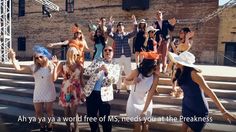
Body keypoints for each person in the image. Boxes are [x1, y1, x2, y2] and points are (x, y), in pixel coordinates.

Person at [168, 51, 236, 132]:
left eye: (178, 61)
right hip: (187, 106)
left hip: (198, 108)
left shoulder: (194, 74)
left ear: (183, 63)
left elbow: (208, 91)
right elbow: (178, 82)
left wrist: (223, 111)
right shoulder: (180, 72)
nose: (176, 62)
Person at [8, 46, 56, 131]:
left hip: (49, 90)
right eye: (36, 58)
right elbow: (18, 69)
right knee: (38, 111)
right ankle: (42, 126)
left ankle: (50, 125)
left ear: (45, 56)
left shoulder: (51, 65)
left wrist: (55, 66)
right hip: (38, 91)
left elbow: (54, 79)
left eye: (41, 57)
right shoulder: (34, 67)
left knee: (49, 110)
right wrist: (13, 58)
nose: (39, 59)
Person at [83, 46, 120, 132]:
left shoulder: (116, 65)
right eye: (105, 50)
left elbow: (115, 80)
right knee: (91, 117)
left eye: (110, 50)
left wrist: (107, 73)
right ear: (103, 52)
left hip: (105, 95)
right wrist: (98, 69)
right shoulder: (97, 61)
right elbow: (86, 71)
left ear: (113, 53)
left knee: (105, 118)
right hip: (92, 93)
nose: (107, 51)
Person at [124, 51, 160, 132]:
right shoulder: (136, 72)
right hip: (133, 101)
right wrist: (132, 82)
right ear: (151, 66)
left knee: (146, 126)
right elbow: (125, 81)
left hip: (146, 102)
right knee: (138, 127)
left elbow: (150, 94)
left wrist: (144, 110)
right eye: (157, 64)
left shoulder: (155, 77)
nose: (158, 66)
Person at [52, 47, 84, 132]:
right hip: (66, 91)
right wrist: (55, 66)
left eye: (77, 54)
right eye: (75, 54)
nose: (76, 56)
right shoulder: (62, 64)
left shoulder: (80, 66)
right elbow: (54, 78)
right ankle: (68, 128)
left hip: (76, 91)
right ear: (69, 54)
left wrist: (85, 92)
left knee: (74, 112)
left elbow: (81, 80)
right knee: (66, 112)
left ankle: (76, 128)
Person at [107, 15, 138, 93]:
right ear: (117, 28)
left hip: (126, 56)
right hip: (117, 56)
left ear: (124, 27)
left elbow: (135, 32)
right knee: (118, 72)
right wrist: (110, 23)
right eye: (119, 26)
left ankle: (128, 88)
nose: (120, 27)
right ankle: (118, 88)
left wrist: (134, 22)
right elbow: (108, 32)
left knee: (128, 72)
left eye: (121, 26)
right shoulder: (115, 35)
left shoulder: (127, 35)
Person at [168, 27, 194, 98]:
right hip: (177, 60)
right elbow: (176, 52)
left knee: (181, 76)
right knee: (174, 76)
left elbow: (186, 47)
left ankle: (180, 91)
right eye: (180, 32)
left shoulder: (188, 42)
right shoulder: (180, 41)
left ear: (186, 34)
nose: (180, 34)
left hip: (183, 62)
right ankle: (174, 89)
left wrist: (187, 37)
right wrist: (173, 46)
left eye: (181, 33)